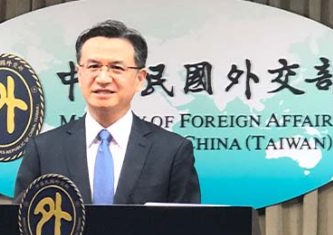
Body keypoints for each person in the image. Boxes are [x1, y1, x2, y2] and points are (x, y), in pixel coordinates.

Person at [14, 20, 200, 204]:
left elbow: (187, 222)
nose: (103, 78)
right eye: (93, 66)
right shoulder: (43, 150)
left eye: (117, 68)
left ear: (140, 78)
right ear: (79, 74)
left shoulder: (172, 151)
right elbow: (22, 219)